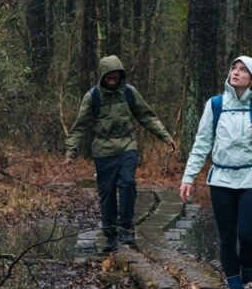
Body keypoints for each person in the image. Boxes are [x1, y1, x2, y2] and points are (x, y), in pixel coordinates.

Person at [179, 56, 252, 289]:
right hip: (222, 179)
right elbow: (202, 142)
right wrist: (188, 177)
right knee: (226, 238)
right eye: (234, 68)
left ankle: (248, 282)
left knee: (246, 235)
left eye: (243, 70)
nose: (236, 73)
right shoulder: (215, 105)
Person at [65, 55, 177, 252]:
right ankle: (110, 234)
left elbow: (147, 116)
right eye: (109, 76)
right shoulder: (93, 97)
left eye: (116, 76)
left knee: (128, 183)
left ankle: (126, 228)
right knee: (107, 194)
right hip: (103, 151)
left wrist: (165, 137)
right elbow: (79, 127)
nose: (112, 79)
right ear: (102, 76)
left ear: (120, 75)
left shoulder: (129, 93)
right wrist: (70, 153)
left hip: (127, 146)